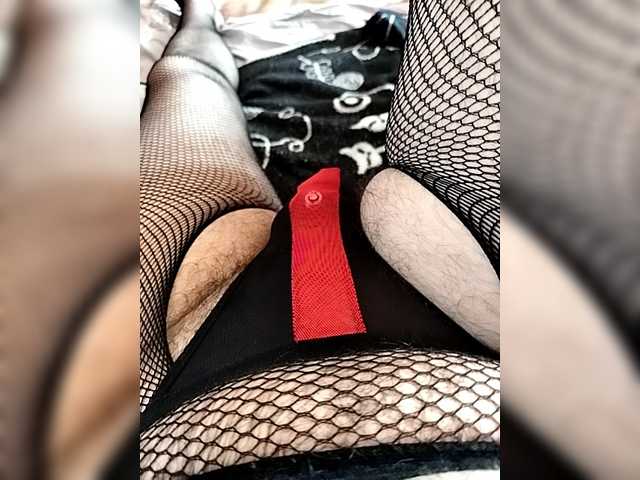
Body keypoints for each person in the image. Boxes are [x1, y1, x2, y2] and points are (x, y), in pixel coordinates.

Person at [139, 0, 500, 478]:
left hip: (187, 380)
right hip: (480, 328)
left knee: (187, 78)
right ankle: (200, 18)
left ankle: (200, 18)